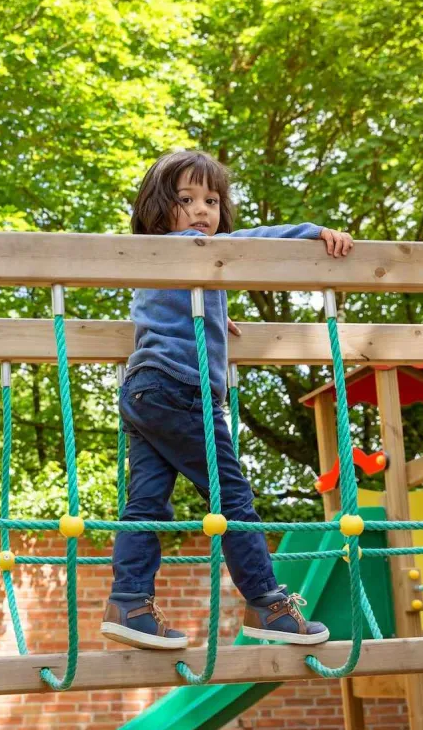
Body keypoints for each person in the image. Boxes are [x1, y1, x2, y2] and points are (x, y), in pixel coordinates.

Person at [101, 149, 354, 650]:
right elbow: (254, 243)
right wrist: (311, 231)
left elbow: (165, 314)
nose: (202, 211)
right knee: (233, 500)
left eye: (211, 200)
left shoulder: (158, 264)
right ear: (158, 208)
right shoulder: (191, 248)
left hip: (144, 389)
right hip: (182, 391)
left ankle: (128, 602)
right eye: (187, 199)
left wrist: (215, 321)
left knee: (147, 504)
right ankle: (268, 604)